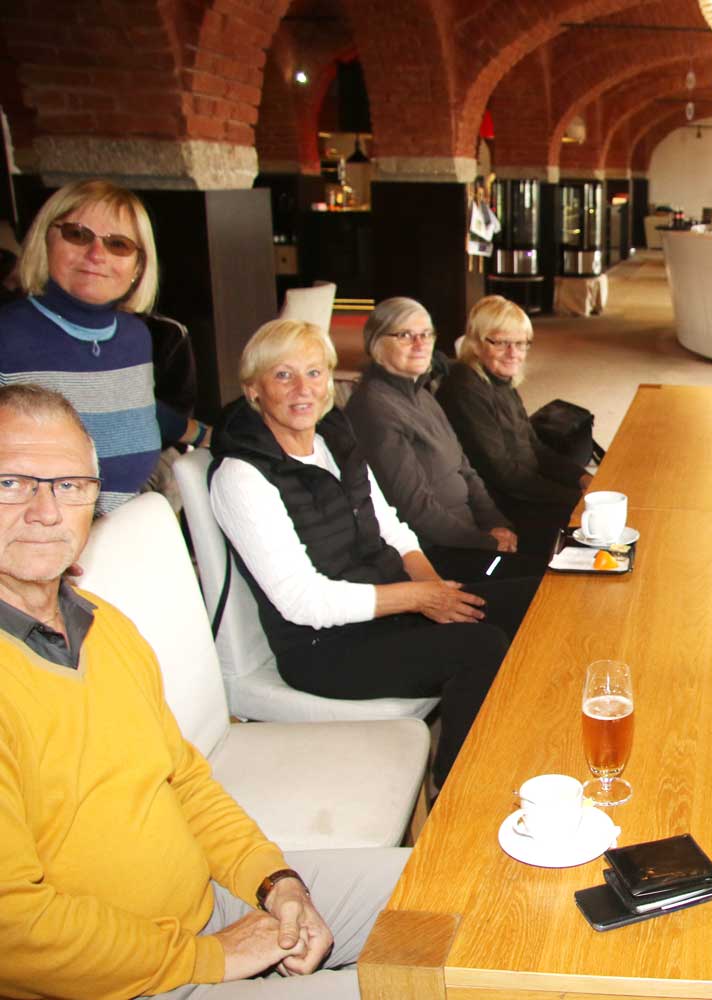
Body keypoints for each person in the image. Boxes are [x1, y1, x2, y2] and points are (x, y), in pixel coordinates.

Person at [0, 383, 406, 1000]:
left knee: (454, 888)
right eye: (11, 483)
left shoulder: (104, 625)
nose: (46, 512)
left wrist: (274, 881)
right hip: (123, 977)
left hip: (208, 904)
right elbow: (15, 929)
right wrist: (210, 956)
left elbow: (184, 782)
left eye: (69, 485)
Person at [208, 319, 514, 787]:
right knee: (482, 647)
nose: (303, 389)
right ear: (253, 390)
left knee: (528, 602)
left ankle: (512, 744)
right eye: (283, 375)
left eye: (314, 372)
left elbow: (392, 527)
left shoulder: (334, 439)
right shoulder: (242, 476)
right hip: (324, 648)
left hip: (390, 607)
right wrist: (419, 599)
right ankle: (455, 792)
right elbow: (301, 601)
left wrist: (435, 590)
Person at [0, 180, 207, 512]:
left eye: (118, 244)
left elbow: (132, 407)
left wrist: (204, 435)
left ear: (138, 266)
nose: (97, 255)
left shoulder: (135, 337)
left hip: (123, 528)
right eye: (78, 235)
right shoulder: (8, 335)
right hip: (37, 535)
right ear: (45, 241)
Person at [345, 297, 546, 591]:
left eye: (426, 334)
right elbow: (415, 509)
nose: (420, 344)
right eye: (405, 335)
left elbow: (465, 469)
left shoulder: (421, 393)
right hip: (437, 553)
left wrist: (496, 523)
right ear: (376, 343)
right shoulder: (374, 408)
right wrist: (484, 541)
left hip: (470, 536)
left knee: (560, 553)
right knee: (546, 586)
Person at [437, 295, 591, 552]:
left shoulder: (499, 379)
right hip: (501, 505)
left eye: (520, 344)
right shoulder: (464, 389)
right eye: (501, 343)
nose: (513, 353)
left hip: (525, 487)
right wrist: (576, 498)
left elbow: (534, 448)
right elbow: (505, 476)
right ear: (476, 342)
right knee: (594, 530)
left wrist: (581, 478)